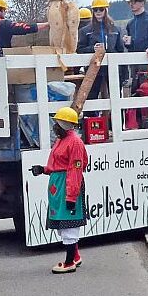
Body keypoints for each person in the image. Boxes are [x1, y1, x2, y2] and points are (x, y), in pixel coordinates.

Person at [28, 106, 87, 274]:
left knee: (69, 223)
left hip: (68, 186)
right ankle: (75, 256)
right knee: (63, 222)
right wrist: (43, 169)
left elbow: (75, 170)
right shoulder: (61, 140)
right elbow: (58, 164)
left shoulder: (75, 142)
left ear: (65, 125)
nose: (54, 127)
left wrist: (71, 197)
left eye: (57, 124)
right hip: (58, 187)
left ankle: (69, 263)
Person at [123, 0, 148, 129]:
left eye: (135, 1)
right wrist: (128, 43)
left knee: (146, 89)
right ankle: (137, 123)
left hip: (146, 61)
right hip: (134, 64)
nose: (132, 4)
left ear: (142, 3)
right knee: (135, 90)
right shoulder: (130, 23)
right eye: (130, 2)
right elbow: (132, 45)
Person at [77, 0, 127, 98]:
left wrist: (124, 73)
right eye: (95, 10)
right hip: (93, 68)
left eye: (101, 9)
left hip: (112, 68)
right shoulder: (85, 31)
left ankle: (118, 114)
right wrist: (92, 49)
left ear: (106, 10)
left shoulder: (116, 29)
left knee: (116, 96)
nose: (98, 12)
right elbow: (79, 49)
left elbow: (120, 51)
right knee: (91, 97)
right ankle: (91, 114)